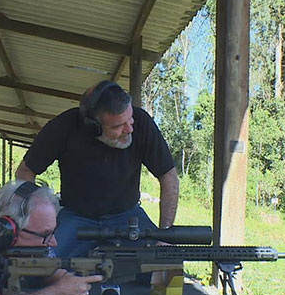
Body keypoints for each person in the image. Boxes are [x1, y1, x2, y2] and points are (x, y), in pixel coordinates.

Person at [15, 80, 179, 258]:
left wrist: (165, 235)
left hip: (127, 215)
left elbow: (168, 176)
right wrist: (33, 223)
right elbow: (25, 172)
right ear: (93, 127)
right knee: (42, 262)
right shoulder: (63, 127)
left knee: (162, 262)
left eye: (130, 118)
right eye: (118, 126)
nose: (129, 128)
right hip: (76, 216)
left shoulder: (141, 123)